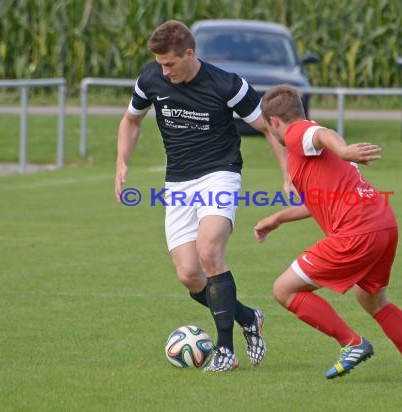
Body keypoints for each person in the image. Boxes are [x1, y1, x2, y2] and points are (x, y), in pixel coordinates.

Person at [115, 20, 289, 372]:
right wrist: (121, 163)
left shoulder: (228, 84)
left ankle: (225, 351)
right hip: (178, 184)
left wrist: (288, 174)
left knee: (210, 251)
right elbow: (131, 120)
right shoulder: (151, 79)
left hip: (219, 174)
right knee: (190, 276)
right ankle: (248, 317)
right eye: (160, 64)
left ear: (189, 53)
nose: (164, 71)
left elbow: (269, 128)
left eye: (170, 64)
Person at [254, 85, 402, 382]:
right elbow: (322, 201)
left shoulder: (296, 133)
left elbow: (322, 133)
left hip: (357, 232)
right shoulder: (312, 151)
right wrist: (278, 217)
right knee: (372, 300)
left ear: (275, 122)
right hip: (383, 223)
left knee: (284, 290)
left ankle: (352, 344)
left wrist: (342, 148)